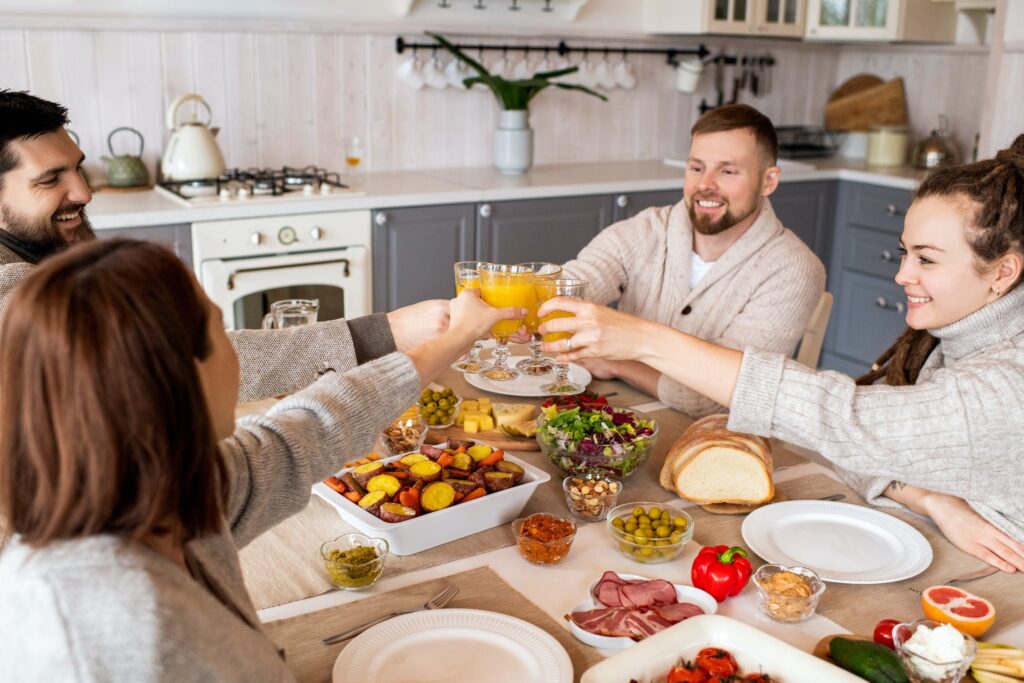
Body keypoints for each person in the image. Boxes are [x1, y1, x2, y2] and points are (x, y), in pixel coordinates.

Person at [0, 238, 520, 680]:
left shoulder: (160, 487)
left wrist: (456, 337)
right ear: (176, 379)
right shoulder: (112, 634)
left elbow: (308, 429)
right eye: (222, 335)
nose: (239, 357)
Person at [539, 135, 1024, 573]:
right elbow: (848, 442)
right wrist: (931, 499)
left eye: (927, 259)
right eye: (904, 252)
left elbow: (838, 420)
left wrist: (643, 340)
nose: (902, 275)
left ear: (1002, 272)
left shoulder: (1005, 385)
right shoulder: (948, 341)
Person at [0, 89, 449, 402]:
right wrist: (390, 332)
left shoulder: (45, 250)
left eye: (77, 168)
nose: (83, 192)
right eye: (50, 179)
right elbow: (168, 358)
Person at [558, 104, 825, 417]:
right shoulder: (646, 230)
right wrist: (501, 300)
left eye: (727, 171)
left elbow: (720, 396)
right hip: (625, 417)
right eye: (697, 168)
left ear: (769, 181)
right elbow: (571, 286)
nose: (705, 184)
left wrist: (617, 363)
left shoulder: (795, 269)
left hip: (718, 444)